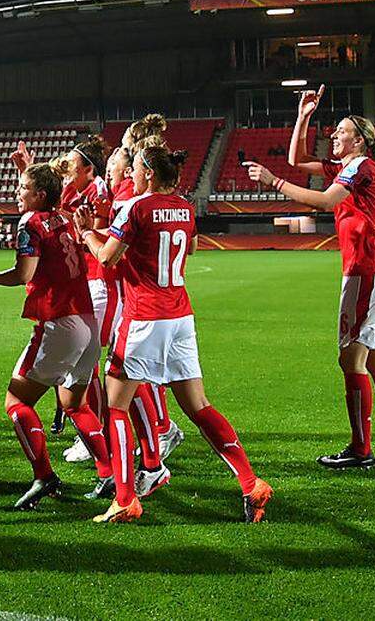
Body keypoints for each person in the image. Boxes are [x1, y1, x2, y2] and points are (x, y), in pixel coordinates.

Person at [77, 145, 273, 523]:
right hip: (180, 316)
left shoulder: (136, 207)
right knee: (198, 406)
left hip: (143, 317)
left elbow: (106, 258)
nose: (131, 173)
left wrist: (87, 233)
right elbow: (192, 247)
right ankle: (250, 482)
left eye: (134, 167)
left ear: (149, 173)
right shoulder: (184, 207)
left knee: (116, 405)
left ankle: (124, 498)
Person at [246, 84, 375, 469]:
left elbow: (324, 200)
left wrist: (273, 182)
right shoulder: (352, 166)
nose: (334, 136)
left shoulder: (358, 166)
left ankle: (361, 450)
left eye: (340, 131)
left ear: (358, 140)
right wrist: (303, 115)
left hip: (365, 273)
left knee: (350, 360)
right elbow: (298, 158)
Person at [0, 162, 101, 510]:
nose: (18, 194)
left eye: (23, 189)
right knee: (75, 403)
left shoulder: (30, 222)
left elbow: (23, 273)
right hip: (89, 323)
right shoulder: (64, 217)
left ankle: (44, 476)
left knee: (16, 402)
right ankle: (108, 473)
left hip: (60, 322)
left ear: (40, 195)